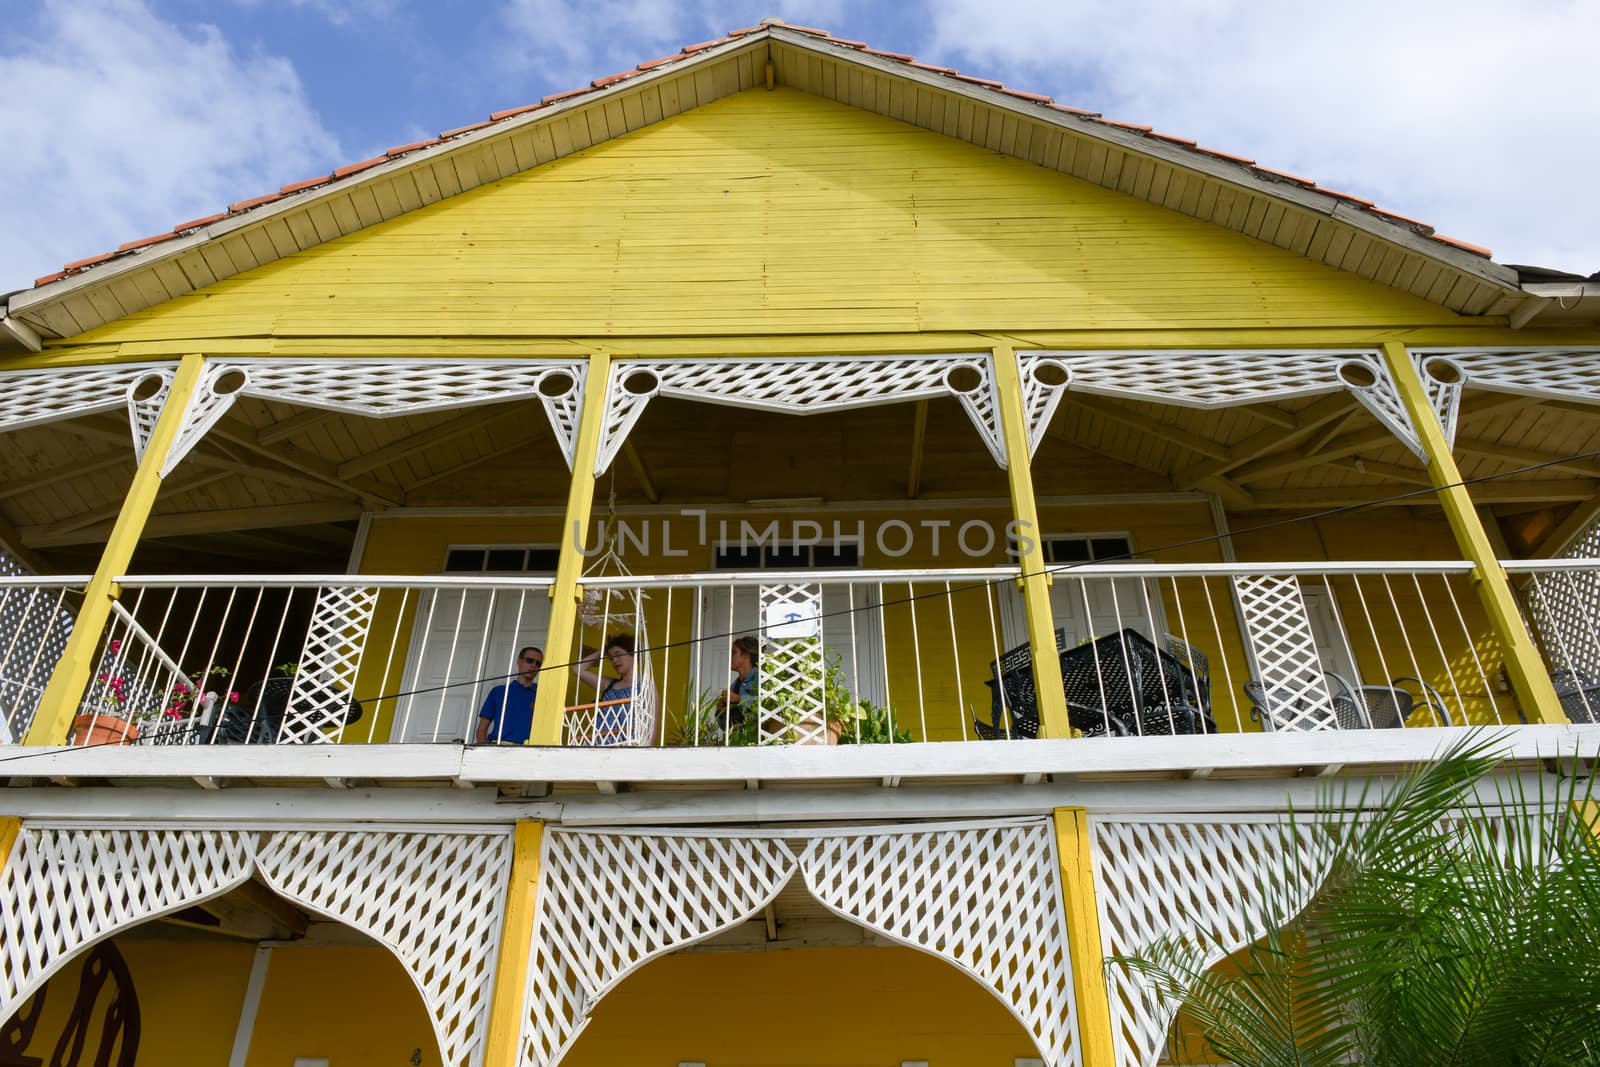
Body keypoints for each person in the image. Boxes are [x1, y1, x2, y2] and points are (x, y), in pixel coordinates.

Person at [575, 633, 651, 744]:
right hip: (601, 744)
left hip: (629, 746)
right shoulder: (609, 684)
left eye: (618, 654)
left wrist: (645, 751)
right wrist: (602, 652)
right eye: (611, 657)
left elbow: (652, 724)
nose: (614, 660)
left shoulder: (645, 686)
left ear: (633, 654)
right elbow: (578, 670)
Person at [476, 645, 542, 744]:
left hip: (528, 751)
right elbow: (481, 729)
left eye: (538, 663)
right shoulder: (499, 692)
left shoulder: (541, 695)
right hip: (497, 747)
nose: (533, 665)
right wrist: (485, 752)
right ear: (519, 661)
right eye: (529, 660)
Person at [718, 636, 760, 724]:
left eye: (734, 653)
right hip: (737, 737)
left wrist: (739, 699)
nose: (730, 657)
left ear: (746, 655)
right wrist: (720, 709)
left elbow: (766, 705)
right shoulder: (734, 686)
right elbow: (724, 727)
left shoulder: (760, 678)